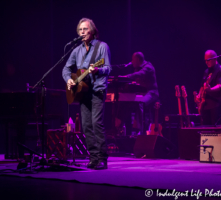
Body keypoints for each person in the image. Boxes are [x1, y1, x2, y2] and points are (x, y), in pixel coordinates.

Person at [62, 18, 111, 170]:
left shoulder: (102, 47)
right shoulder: (76, 51)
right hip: (82, 92)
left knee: (97, 123)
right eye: (80, 30)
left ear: (92, 31)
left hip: (97, 89)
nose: (82, 32)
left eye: (85, 29)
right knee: (86, 125)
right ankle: (93, 157)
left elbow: (108, 68)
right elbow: (65, 69)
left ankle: (102, 158)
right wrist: (69, 79)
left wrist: (98, 69)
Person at [117, 52, 159, 135]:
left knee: (140, 102)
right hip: (142, 92)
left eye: (133, 59)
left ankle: (137, 130)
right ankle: (119, 128)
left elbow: (140, 74)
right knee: (124, 103)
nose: (131, 61)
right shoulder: (137, 68)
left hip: (151, 92)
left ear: (138, 59)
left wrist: (127, 77)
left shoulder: (148, 67)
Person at [196, 50, 221, 125]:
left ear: (215, 59)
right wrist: (199, 95)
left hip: (216, 105)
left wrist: (210, 90)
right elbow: (202, 85)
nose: (206, 62)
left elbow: (220, 86)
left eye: (208, 60)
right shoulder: (206, 71)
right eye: (205, 61)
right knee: (205, 129)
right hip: (205, 106)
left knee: (215, 130)